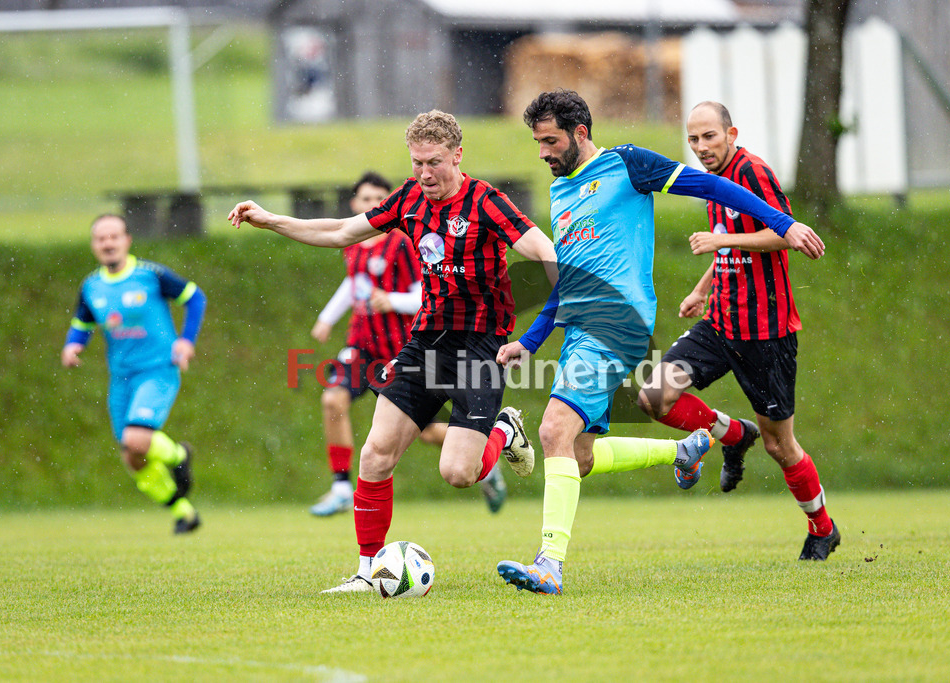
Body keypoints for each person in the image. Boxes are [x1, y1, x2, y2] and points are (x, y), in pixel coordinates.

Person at [495, 89, 826, 595]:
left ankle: (549, 565)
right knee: (578, 456)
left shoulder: (627, 165)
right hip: (582, 329)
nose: (543, 152)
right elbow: (567, 281)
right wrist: (532, 339)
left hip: (618, 322)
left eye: (550, 141)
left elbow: (710, 185)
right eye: (538, 142)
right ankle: (682, 450)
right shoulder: (561, 193)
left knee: (552, 429)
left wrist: (785, 223)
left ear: (580, 133)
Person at [229, 109, 558, 593]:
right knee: (375, 454)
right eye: (417, 163)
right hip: (425, 343)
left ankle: (504, 431)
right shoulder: (408, 198)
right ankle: (368, 572)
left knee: (458, 473)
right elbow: (340, 232)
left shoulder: (487, 202)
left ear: (457, 155)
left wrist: (539, 332)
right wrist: (271, 219)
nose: (425, 173)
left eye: (434, 162)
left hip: (480, 346)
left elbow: (546, 253)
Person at [636, 101, 840, 560]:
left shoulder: (752, 172)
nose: (701, 147)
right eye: (693, 139)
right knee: (653, 397)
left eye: (709, 136)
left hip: (766, 332)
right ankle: (731, 434)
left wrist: (722, 240)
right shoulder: (712, 182)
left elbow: (783, 232)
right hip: (720, 323)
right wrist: (701, 289)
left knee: (780, 445)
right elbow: (729, 246)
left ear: (731, 134)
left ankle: (823, 529)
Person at [308, 172, 506, 516]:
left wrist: (392, 301)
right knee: (333, 399)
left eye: (378, 199)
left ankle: (483, 455)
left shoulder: (402, 241)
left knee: (428, 433)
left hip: (403, 349)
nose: (372, 205)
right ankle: (341, 487)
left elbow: (428, 293)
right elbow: (355, 283)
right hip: (363, 346)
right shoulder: (352, 244)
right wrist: (327, 317)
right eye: (366, 199)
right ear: (355, 204)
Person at [61, 214, 206, 534]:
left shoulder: (151, 275)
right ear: (94, 245)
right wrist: (73, 345)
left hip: (158, 369)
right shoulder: (91, 286)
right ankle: (185, 513)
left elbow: (195, 298)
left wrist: (186, 340)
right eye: (101, 238)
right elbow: (82, 323)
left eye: (114, 236)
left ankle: (179, 456)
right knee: (133, 457)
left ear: (127, 240)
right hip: (121, 378)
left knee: (136, 439)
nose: (108, 243)